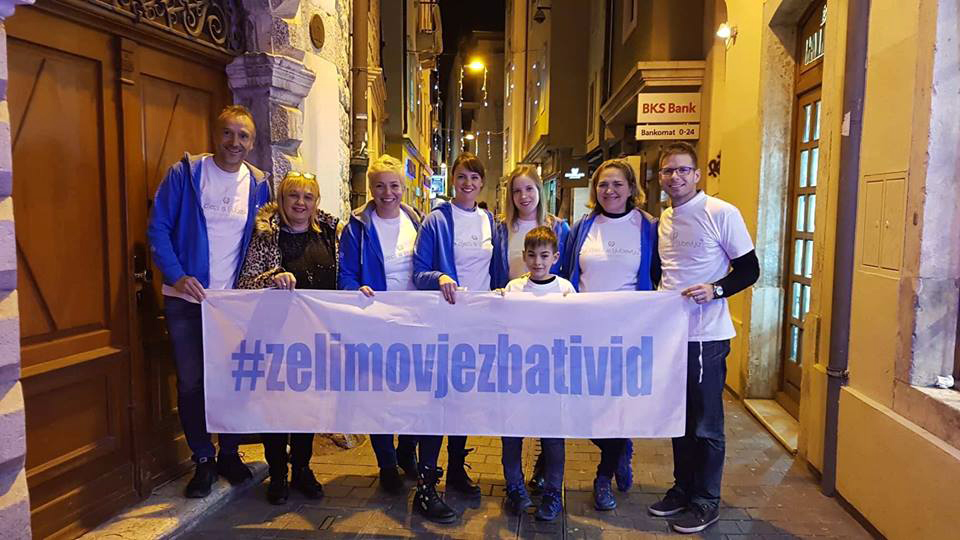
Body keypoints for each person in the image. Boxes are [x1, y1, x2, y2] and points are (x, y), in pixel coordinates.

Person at [147, 105, 271, 498]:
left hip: (232, 305)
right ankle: (203, 458)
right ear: (214, 135)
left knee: (233, 380)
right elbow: (158, 228)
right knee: (191, 382)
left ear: (252, 142)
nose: (235, 142)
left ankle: (229, 453)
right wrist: (177, 275)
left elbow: (264, 239)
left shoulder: (258, 184)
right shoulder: (186, 174)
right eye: (228, 133)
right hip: (186, 299)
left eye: (243, 136)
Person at [647, 142, 759, 534]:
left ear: (697, 175)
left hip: (706, 336)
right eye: (668, 171)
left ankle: (706, 501)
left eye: (682, 170)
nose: (674, 177)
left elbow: (749, 270)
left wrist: (715, 290)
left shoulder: (721, 212)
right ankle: (683, 490)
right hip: (672, 336)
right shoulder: (665, 218)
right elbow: (663, 273)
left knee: (707, 424)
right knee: (678, 418)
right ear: (661, 178)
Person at [411, 151, 505, 523]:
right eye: (462, 176)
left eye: (475, 177)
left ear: (482, 183)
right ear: (453, 180)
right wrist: (440, 277)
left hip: (477, 325)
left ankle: (454, 470)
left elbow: (497, 272)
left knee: (464, 400)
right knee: (438, 403)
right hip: (444, 324)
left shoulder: (489, 221)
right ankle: (425, 486)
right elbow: (419, 272)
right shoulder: (436, 220)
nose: (468, 183)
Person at [561, 158, 658, 512]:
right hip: (584, 332)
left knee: (616, 408)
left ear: (631, 188)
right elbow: (566, 271)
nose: (609, 190)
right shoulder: (583, 226)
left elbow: (660, 274)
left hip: (627, 334)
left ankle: (603, 477)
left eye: (617, 184)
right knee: (582, 406)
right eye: (603, 184)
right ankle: (619, 448)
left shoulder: (647, 227)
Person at [236, 171, 336, 504]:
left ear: (316, 201)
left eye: (308, 196)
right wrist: (273, 276)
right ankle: (278, 473)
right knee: (276, 408)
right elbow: (245, 283)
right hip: (276, 338)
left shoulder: (330, 234)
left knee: (306, 407)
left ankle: (302, 469)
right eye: (293, 195)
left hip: (314, 337)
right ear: (281, 199)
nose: (300, 203)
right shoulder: (265, 236)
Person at [338, 154, 422, 494]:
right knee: (380, 396)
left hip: (414, 322)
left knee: (417, 393)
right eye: (380, 186)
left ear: (404, 187)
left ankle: (407, 451)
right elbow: (346, 274)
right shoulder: (356, 228)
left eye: (394, 185)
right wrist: (354, 290)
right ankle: (387, 464)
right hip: (376, 323)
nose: (388, 193)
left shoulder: (417, 222)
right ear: (370, 188)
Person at [494, 165, 571, 494]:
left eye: (529, 189)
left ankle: (548, 482)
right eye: (517, 190)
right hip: (516, 342)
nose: (523, 196)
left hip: (550, 352)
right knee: (513, 423)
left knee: (551, 427)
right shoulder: (500, 228)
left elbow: (571, 288)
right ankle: (515, 487)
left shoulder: (559, 228)